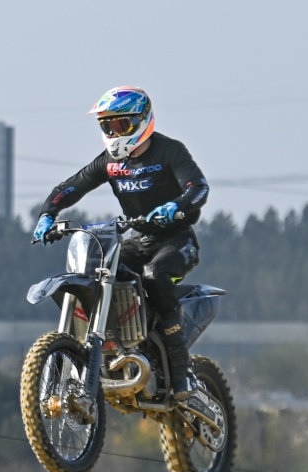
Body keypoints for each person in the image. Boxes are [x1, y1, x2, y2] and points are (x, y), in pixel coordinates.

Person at [32, 86, 210, 399]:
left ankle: (181, 371)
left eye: (121, 125)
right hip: (138, 240)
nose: (114, 133)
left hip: (177, 239)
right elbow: (70, 187)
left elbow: (199, 187)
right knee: (99, 272)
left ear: (143, 120)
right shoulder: (110, 162)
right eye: (108, 126)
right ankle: (116, 348)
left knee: (156, 277)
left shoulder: (170, 151)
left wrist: (177, 206)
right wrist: (47, 215)